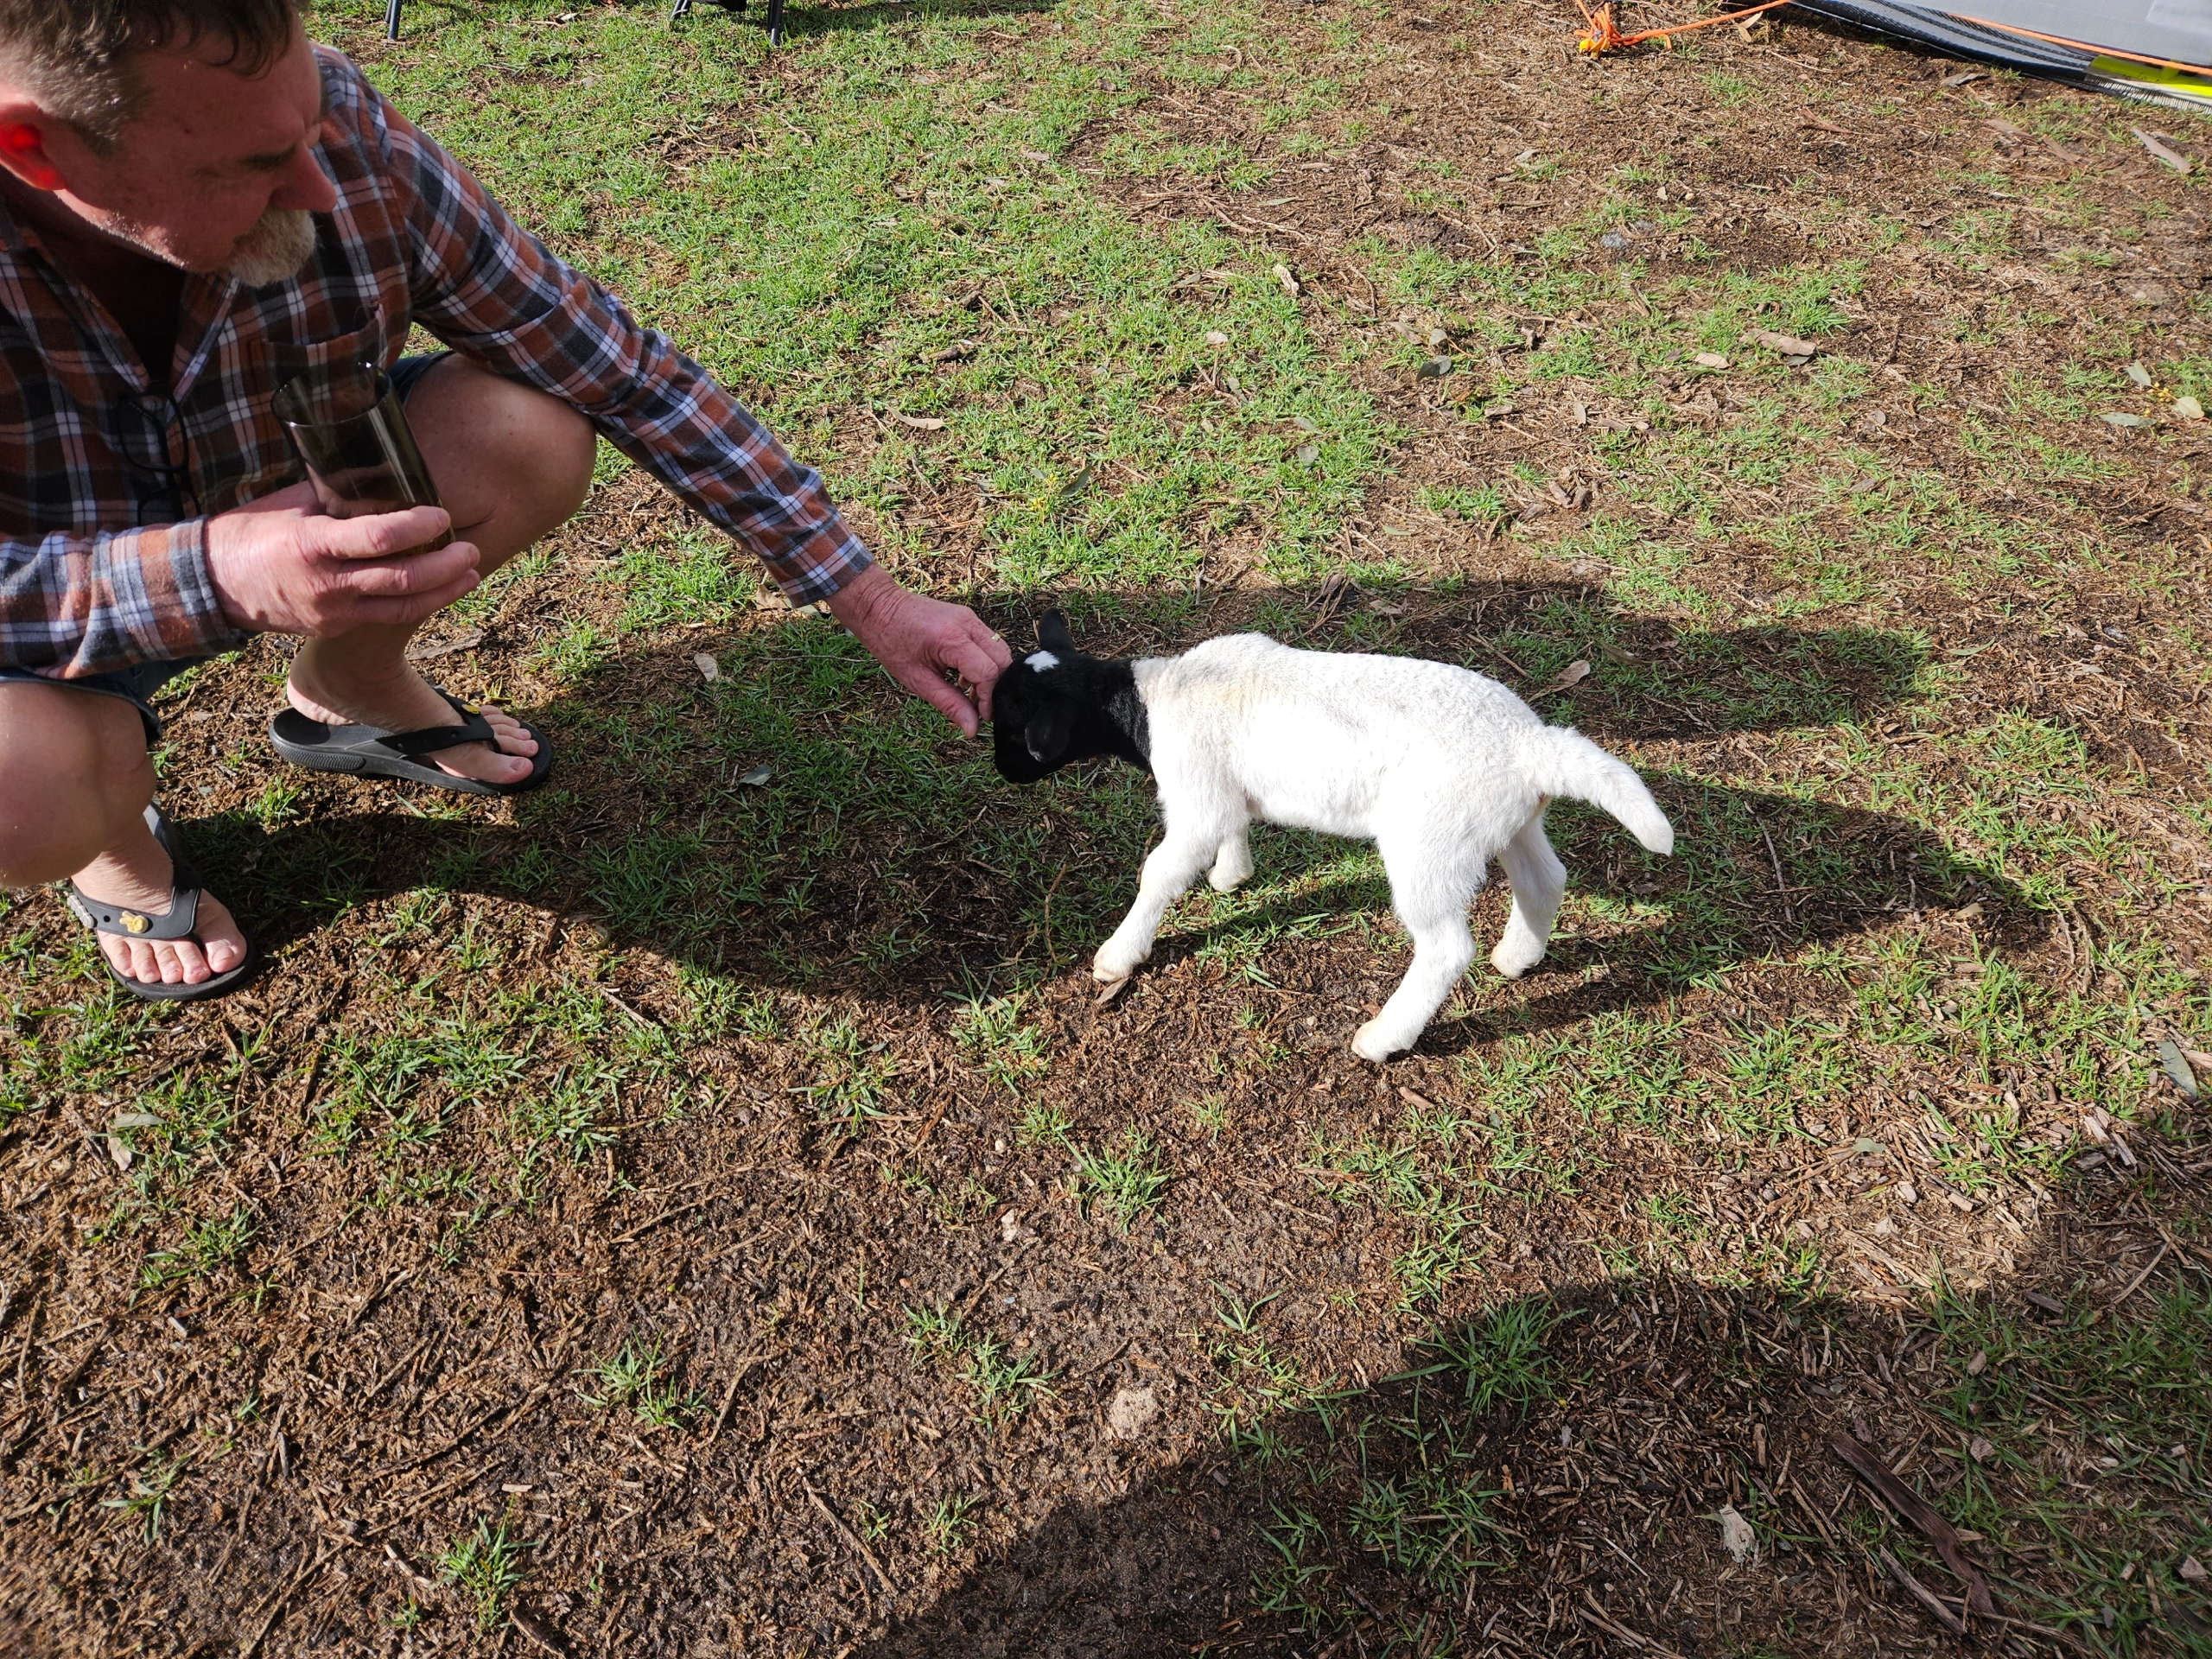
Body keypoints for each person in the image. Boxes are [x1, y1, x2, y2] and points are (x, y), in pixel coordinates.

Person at [0, 0, 1011, 1001]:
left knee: (526, 427)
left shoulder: (343, 135)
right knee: (25, 786)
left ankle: (349, 685)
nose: (317, 186)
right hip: (42, 626)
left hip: (300, 499)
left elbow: (615, 371)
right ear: (37, 150)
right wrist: (210, 572)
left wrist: (872, 600)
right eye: (255, 167)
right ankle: (117, 847)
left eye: (307, 129)